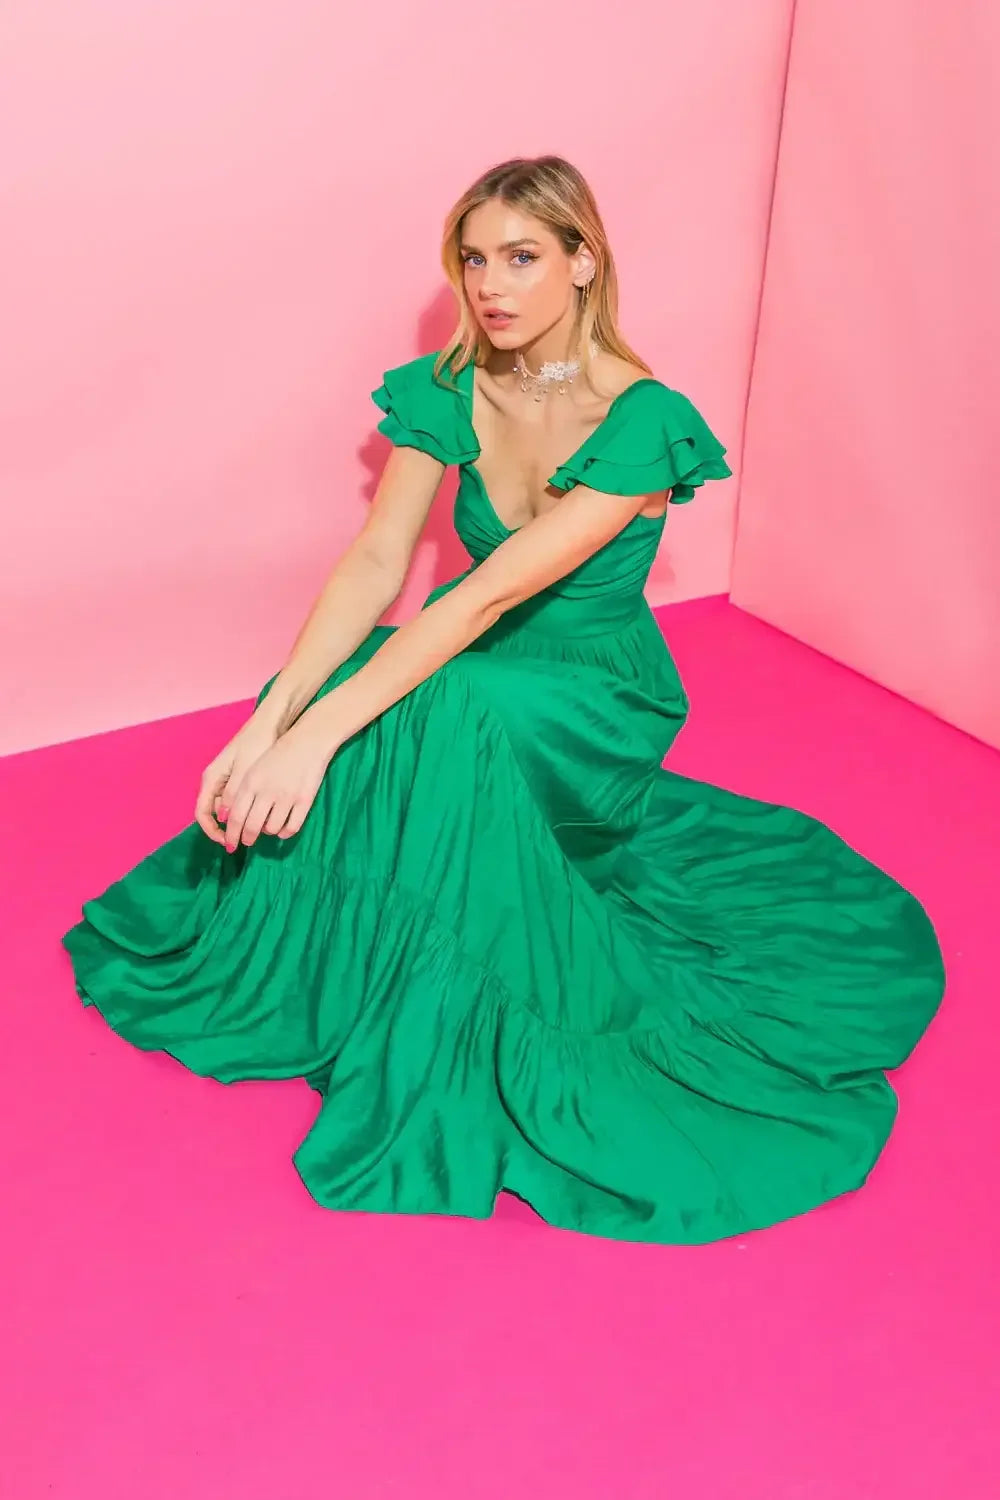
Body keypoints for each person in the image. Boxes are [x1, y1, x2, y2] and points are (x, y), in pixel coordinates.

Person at [63, 155, 945, 1245]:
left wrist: (315, 740)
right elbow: (381, 560)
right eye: (474, 259)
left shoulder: (642, 418)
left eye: (522, 257)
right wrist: (271, 721)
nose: (491, 283)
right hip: (469, 667)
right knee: (355, 692)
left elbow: (478, 600)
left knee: (440, 702)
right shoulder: (449, 385)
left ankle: (451, 1004)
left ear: (582, 261)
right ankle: (336, 973)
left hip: (591, 698)